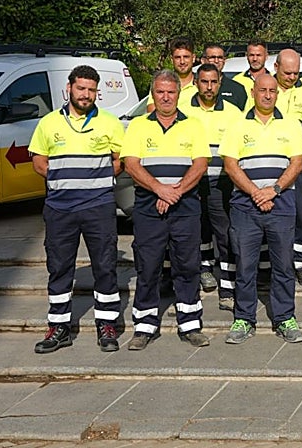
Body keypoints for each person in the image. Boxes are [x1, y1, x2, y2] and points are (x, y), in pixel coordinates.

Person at [29, 65, 126, 354]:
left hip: (99, 206)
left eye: (92, 90)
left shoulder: (110, 122)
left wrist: (99, 180)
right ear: (69, 88)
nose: (86, 94)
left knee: (105, 266)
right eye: (81, 88)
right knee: (59, 267)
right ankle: (59, 327)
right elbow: (38, 161)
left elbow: (119, 159)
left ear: (98, 92)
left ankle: (107, 326)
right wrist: (64, 179)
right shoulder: (48, 123)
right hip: (61, 208)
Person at [121, 70, 210, 349]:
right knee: (148, 266)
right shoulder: (137, 126)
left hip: (185, 206)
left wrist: (174, 192)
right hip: (149, 207)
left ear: (179, 94)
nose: (166, 97)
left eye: (171, 92)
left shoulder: (193, 125)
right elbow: (131, 165)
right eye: (160, 92)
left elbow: (200, 164)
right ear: (153, 94)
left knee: (187, 264)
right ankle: (145, 326)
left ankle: (190, 324)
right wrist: (160, 189)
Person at [219, 73, 302, 344]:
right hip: (246, 205)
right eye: (262, 90)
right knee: (245, 265)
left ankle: (285, 318)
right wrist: (255, 192)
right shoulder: (237, 125)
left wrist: (274, 190)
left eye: (272, 90)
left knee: (283, 265)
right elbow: (230, 165)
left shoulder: (290, 124)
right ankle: (244, 318)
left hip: (281, 203)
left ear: (277, 94)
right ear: (253, 92)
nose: (267, 95)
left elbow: (297, 163)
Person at [189, 63, 245, 310]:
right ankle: (199, 275)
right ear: (196, 82)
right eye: (204, 82)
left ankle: (227, 290)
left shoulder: (233, 113)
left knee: (224, 236)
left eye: (213, 82)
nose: (209, 87)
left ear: (220, 82)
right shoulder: (182, 110)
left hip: (220, 183)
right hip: (190, 183)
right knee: (194, 234)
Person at [273, 48, 302, 287]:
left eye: (296, 73)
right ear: (276, 68)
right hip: (273, 163)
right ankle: (277, 264)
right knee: (275, 213)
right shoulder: (267, 91)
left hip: (301, 162)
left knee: (301, 211)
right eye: (287, 73)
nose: (292, 77)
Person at [146, 38, 199, 111]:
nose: (182, 61)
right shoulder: (162, 83)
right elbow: (152, 111)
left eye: (186, 57)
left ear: (193, 58)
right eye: (178, 57)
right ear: (171, 59)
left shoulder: (203, 84)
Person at [200, 43, 248, 111]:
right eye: (212, 57)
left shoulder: (237, 89)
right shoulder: (194, 87)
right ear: (203, 60)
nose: (216, 61)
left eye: (220, 58)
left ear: (224, 60)